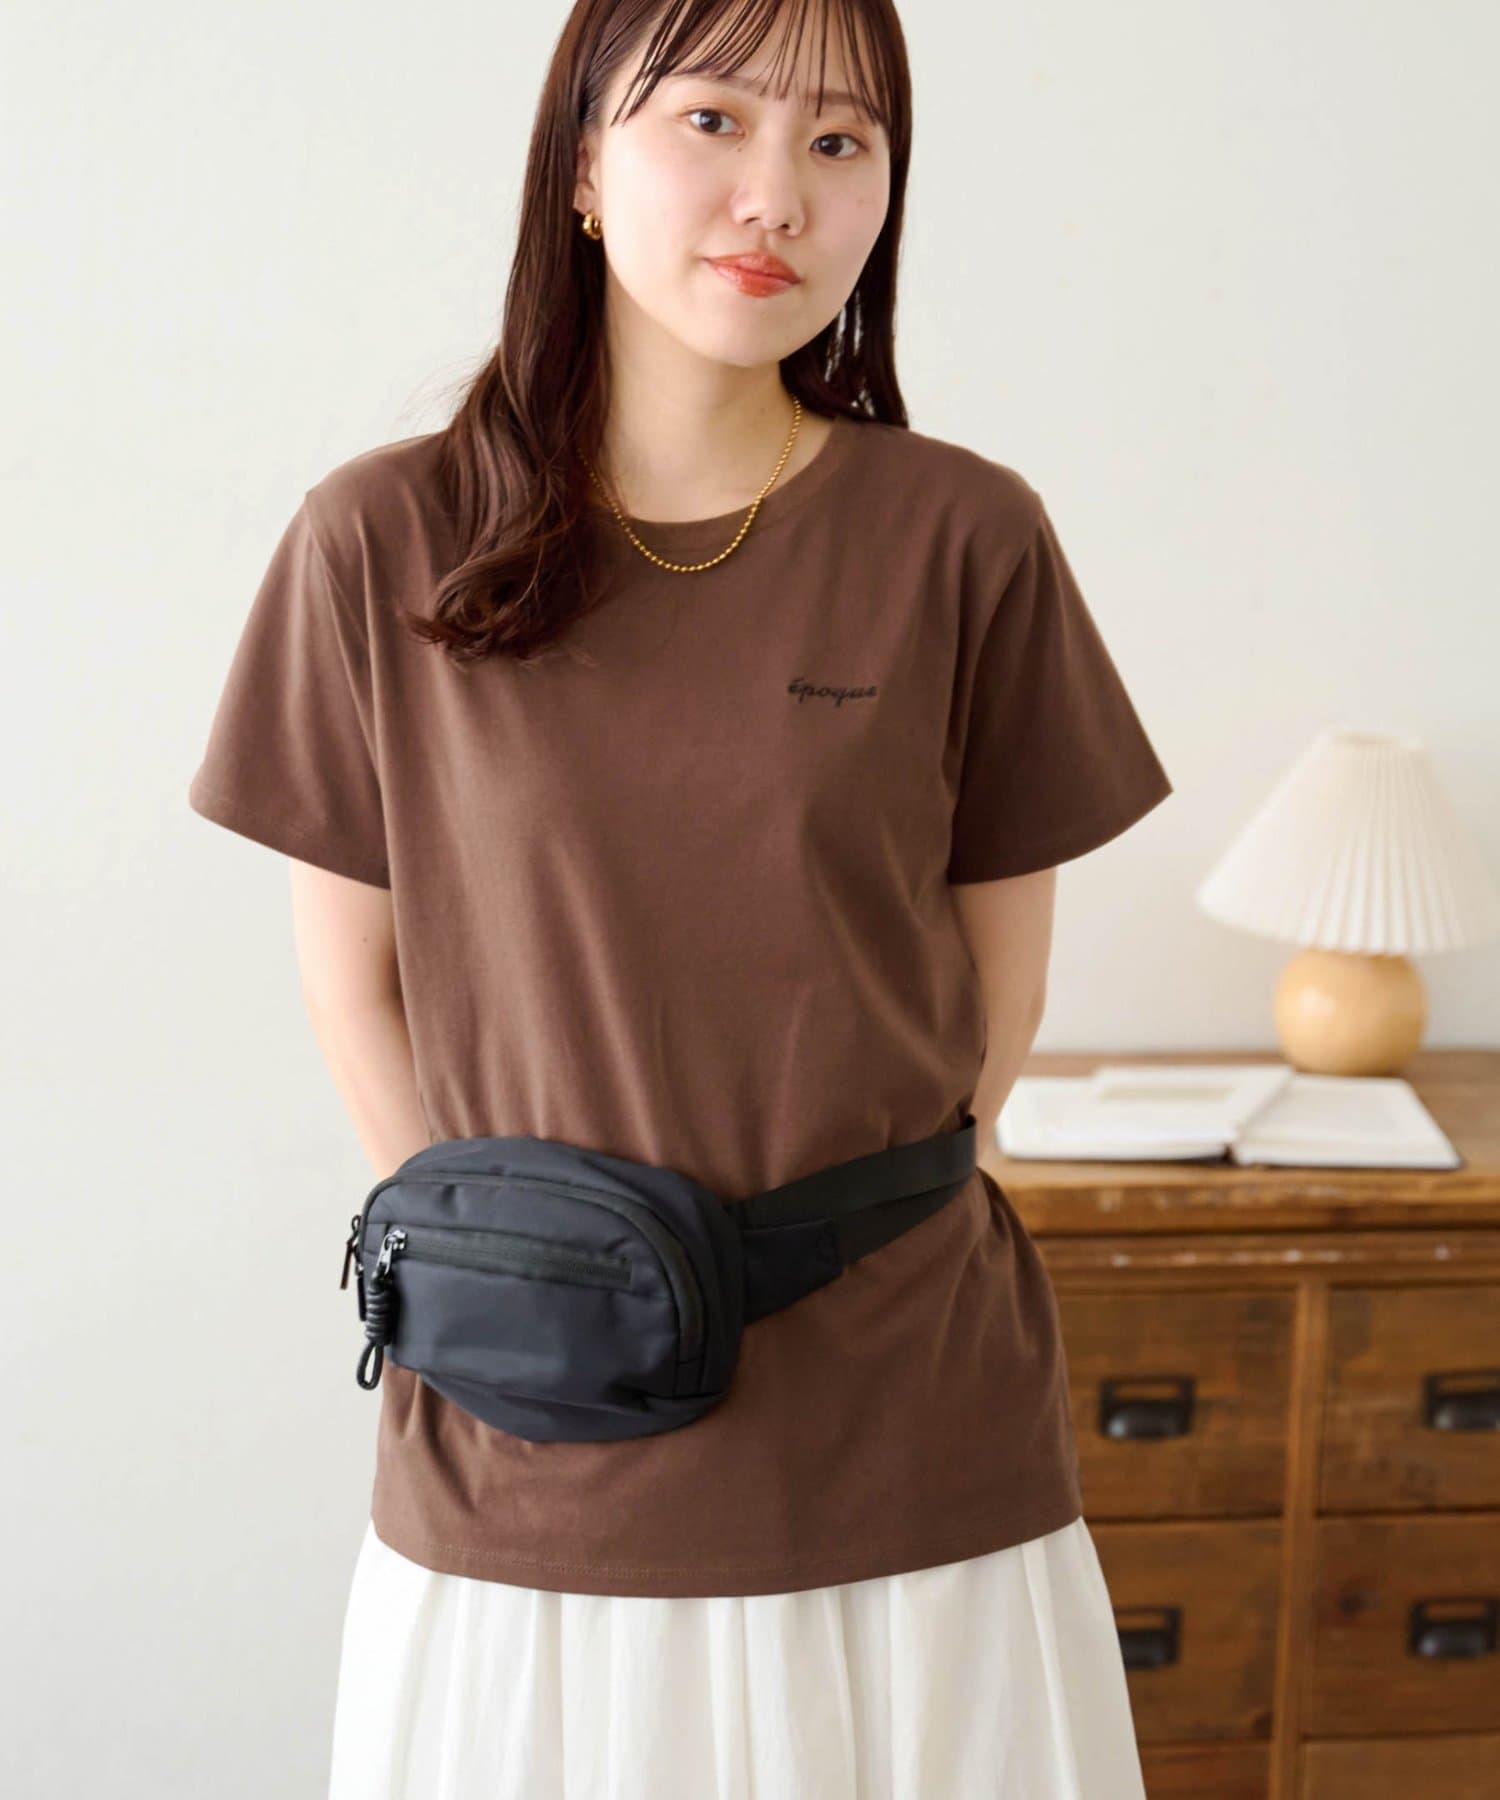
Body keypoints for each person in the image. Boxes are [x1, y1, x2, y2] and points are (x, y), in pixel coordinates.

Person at [188, 0, 1174, 1793]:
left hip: (907, 1428)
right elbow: (355, 988)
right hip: (532, 1439)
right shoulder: (383, 539)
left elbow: (996, 996)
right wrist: (525, 1286)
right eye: (711, 120)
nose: (776, 194)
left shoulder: (963, 536)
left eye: (839, 141)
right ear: (581, 165)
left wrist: (818, 1251)